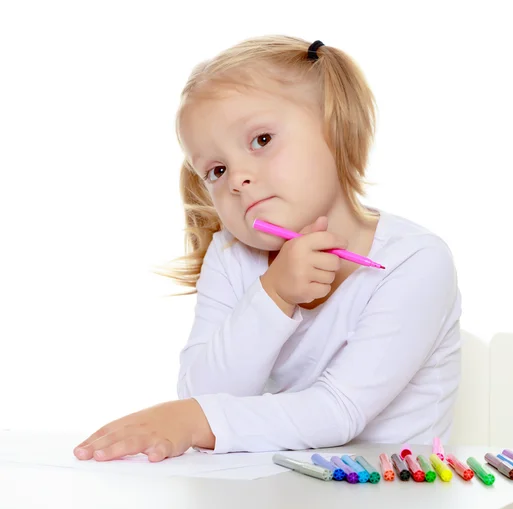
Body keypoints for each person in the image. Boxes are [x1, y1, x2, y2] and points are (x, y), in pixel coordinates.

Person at [73, 35, 462, 463]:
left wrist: (191, 420)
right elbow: (204, 395)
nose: (236, 178)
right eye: (216, 170)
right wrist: (272, 295)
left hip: (400, 491)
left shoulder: (416, 261)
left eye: (261, 140)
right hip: (287, 484)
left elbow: (339, 410)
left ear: (335, 128)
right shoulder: (230, 255)